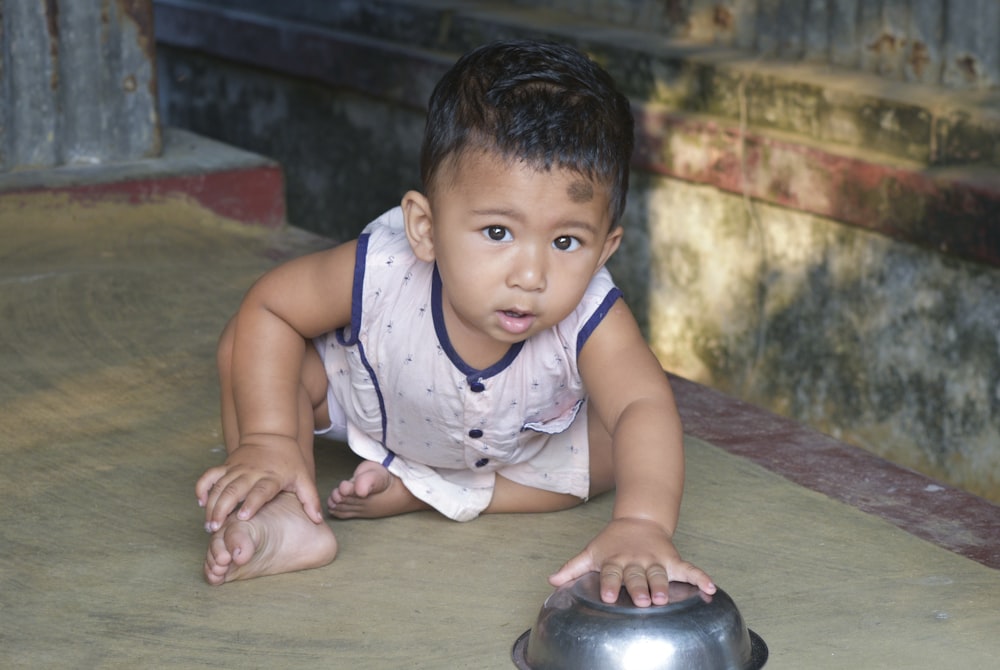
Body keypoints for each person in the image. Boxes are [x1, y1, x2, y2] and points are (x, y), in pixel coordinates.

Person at [196, 39, 716, 607]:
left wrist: (643, 522)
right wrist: (269, 439)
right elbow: (271, 305)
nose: (531, 274)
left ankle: (427, 492)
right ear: (425, 226)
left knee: (627, 447)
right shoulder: (383, 269)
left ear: (604, 249)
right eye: (498, 232)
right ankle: (284, 513)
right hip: (376, 403)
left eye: (567, 241)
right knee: (245, 346)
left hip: (513, 449)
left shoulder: (591, 313)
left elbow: (643, 403)